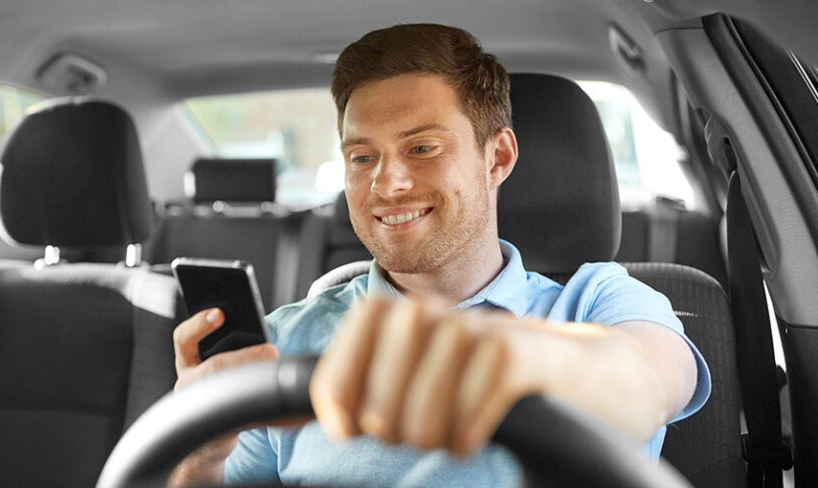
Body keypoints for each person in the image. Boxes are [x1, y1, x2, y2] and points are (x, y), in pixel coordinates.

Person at [168, 23, 711, 487]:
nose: (388, 183)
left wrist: (504, 362)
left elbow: (644, 381)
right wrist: (201, 451)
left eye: (421, 148)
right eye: (362, 157)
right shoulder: (281, 342)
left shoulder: (600, 301)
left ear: (496, 157)